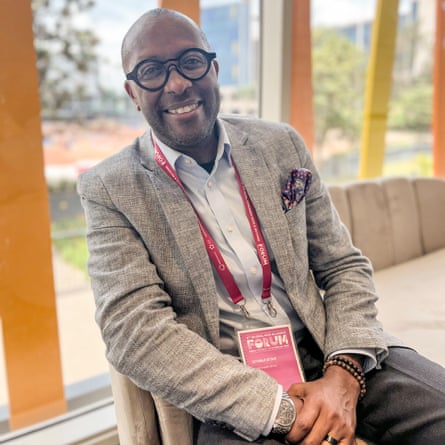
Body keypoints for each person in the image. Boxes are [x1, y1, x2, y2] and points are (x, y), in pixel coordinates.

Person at [77, 8, 445, 445]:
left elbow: (344, 266)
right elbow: (133, 331)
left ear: (214, 68)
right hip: (230, 387)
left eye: (190, 62)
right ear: (132, 92)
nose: (176, 84)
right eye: (152, 71)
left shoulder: (279, 143)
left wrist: (343, 377)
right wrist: (286, 412)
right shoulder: (109, 188)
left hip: (330, 350)